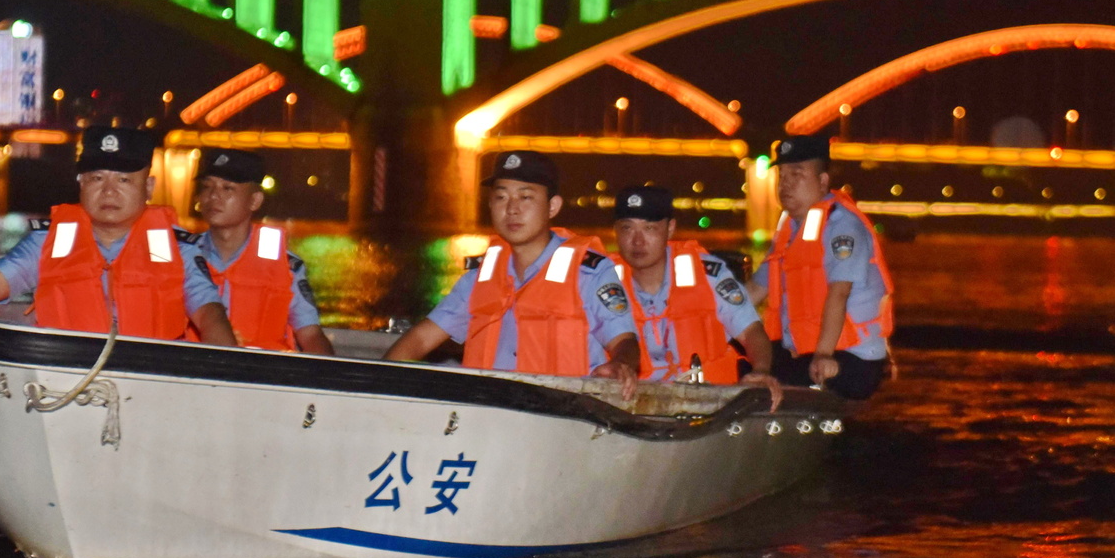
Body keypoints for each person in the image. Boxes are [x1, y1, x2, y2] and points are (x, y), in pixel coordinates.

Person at [0, 126, 237, 346]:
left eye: (124, 180)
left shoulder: (176, 248)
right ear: (81, 183)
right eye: (97, 177)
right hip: (63, 378)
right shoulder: (50, 241)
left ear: (148, 187)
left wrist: (228, 368)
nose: (109, 190)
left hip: (152, 383)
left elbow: (209, 312)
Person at [383, 149, 640, 398]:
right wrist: (375, 384)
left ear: (552, 207)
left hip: (564, 417)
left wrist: (621, 364)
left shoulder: (589, 272)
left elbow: (625, 341)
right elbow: (420, 339)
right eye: (501, 197)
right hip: (490, 415)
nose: (512, 209)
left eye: (525, 197)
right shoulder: (480, 277)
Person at [748, 134, 893, 400]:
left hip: (849, 358)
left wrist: (823, 355)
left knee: (758, 387)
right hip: (804, 352)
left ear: (823, 180)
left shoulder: (842, 227)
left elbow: (839, 293)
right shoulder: (790, 228)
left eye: (797, 174)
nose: (785, 184)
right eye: (782, 175)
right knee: (737, 365)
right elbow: (756, 289)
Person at [606, 184, 780, 395]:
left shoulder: (708, 274)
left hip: (708, 403)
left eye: (649, 228)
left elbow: (751, 331)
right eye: (627, 228)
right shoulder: (603, 281)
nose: (637, 241)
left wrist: (761, 371)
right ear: (615, 231)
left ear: (670, 229)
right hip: (633, 405)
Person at [189, 147, 333, 354]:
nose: (213, 197)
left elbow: (310, 334)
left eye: (227, 188)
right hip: (193, 372)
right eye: (207, 187)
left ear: (255, 201)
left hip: (262, 376)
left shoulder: (287, 266)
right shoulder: (182, 255)